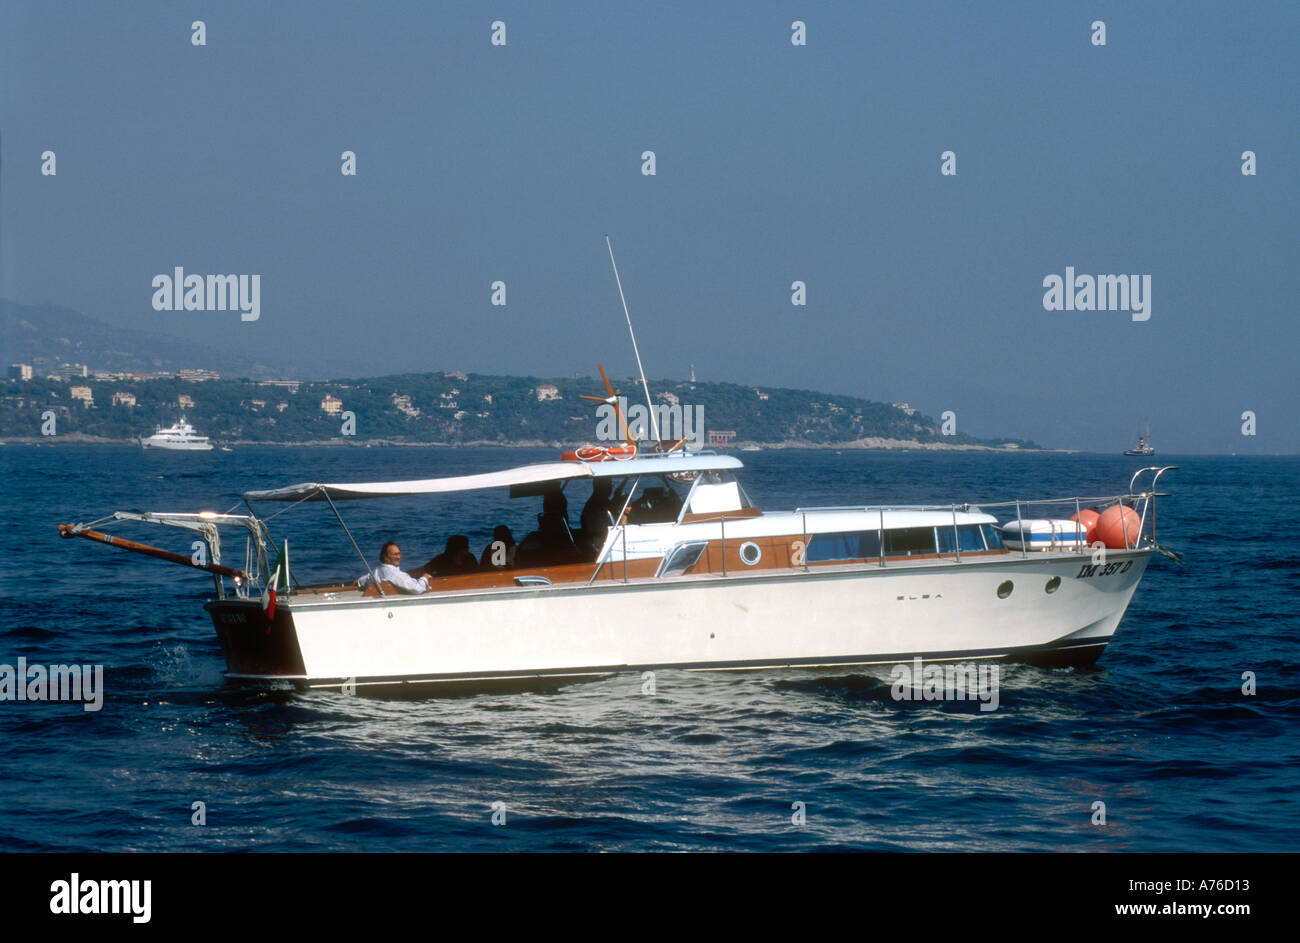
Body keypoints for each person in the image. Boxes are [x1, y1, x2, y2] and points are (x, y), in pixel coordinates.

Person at [357, 541, 429, 594]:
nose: (399, 557)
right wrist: (425, 578)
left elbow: (364, 580)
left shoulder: (377, 571)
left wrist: (358, 581)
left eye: (399, 554)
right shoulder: (395, 575)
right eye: (395, 554)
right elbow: (417, 589)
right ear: (385, 557)